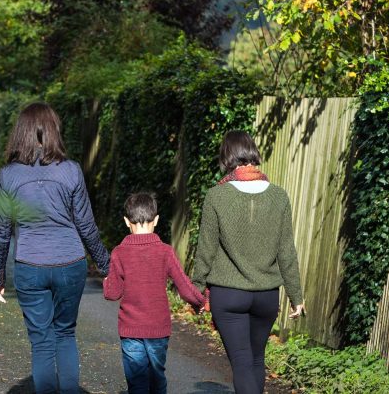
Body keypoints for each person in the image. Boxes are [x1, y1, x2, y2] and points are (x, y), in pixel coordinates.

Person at [0, 102, 111, 394]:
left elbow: (0, 232)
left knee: (42, 342)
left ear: (21, 133)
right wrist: (107, 266)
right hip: (70, 263)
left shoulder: (9, 176)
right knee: (65, 334)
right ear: (54, 131)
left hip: (30, 266)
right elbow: (86, 226)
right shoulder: (71, 171)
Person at [190, 130, 306, 394]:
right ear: (253, 153)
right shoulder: (279, 196)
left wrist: (196, 291)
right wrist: (296, 296)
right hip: (266, 298)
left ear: (226, 157)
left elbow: (206, 250)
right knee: (256, 359)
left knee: (242, 362)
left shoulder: (216, 196)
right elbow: (286, 251)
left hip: (228, 296)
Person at [103, 192, 206, 394]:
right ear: (156, 220)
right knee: (157, 375)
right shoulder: (165, 251)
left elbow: (113, 293)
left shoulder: (119, 253)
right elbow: (183, 284)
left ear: (126, 222)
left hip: (130, 329)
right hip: (158, 328)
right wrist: (201, 301)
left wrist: (107, 283)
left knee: (137, 381)